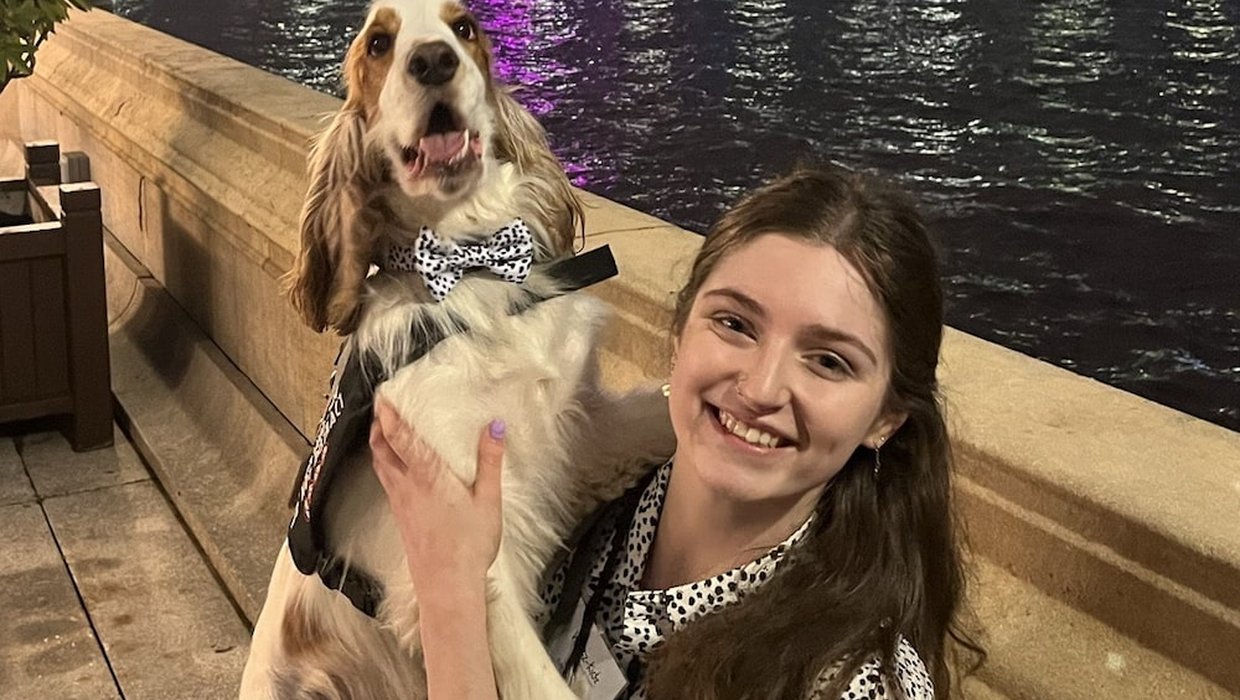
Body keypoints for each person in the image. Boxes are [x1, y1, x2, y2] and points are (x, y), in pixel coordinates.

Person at [369, 164, 981, 699]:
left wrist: (451, 595)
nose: (761, 388)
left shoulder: (852, 683)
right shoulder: (593, 507)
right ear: (682, 330)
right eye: (735, 323)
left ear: (885, 419)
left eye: (828, 361)